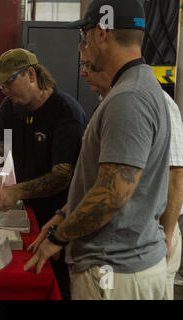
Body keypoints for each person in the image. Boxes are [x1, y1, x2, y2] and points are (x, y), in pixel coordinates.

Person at [25, 0, 172, 300]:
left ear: (102, 32)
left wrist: (59, 236)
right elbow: (98, 181)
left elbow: (112, 194)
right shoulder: (135, 87)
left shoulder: (128, 98)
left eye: (84, 33)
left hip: (113, 271)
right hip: (122, 267)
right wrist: (64, 214)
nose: (83, 43)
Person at [0, 48, 88, 299]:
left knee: (57, 280)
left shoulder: (66, 113)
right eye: (0, 86)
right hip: (30, 211)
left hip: (63, 215)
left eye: (8, 82)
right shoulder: (10, 107)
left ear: (31, 74)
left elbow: (63, 175)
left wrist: (17, 190)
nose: (4, 90)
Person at [78, 42, 183, 300]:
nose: (83, 72)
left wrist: (165, 236)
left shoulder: (149, 102)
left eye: (89, 66)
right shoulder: (112, 103)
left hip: (150, 235)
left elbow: (176, 175)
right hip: (128, 239)